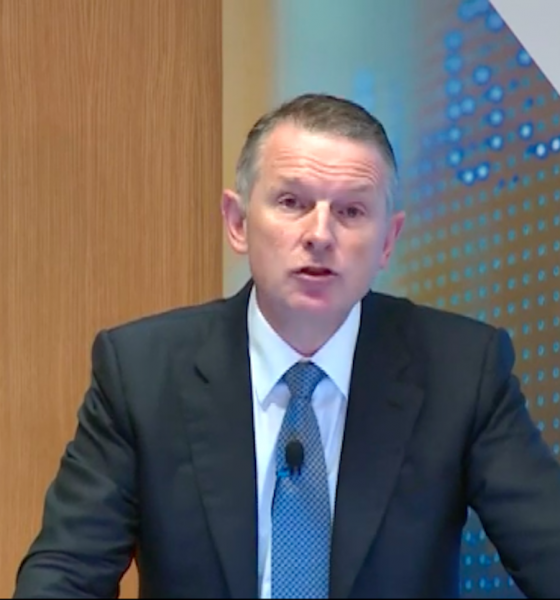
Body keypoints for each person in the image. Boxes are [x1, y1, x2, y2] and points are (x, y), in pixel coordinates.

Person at [13, 93, 560, 599]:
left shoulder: (462, 371)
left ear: (388, 241)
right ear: (237, 222)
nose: (320, 234)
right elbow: (65, 574)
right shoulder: (142, 372)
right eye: (293, 202)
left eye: (350, 211)